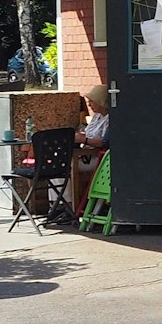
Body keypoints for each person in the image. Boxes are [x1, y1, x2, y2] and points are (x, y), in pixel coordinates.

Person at [65, 84, 111, 221]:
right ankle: (62, 204)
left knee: (68, 167)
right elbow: (87, 133)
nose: (89, 105)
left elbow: (103, 142)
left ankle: (70, 207)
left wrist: (83, 139)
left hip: (96, 158)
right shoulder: (96, 117)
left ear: (101, 101)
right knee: (61, 166)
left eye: (92, 101)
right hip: (84, 153)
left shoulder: (110, 119)